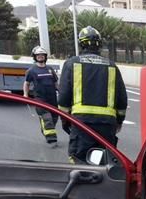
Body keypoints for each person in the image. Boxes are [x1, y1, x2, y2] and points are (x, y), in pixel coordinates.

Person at [58, 26, 128, 164]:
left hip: (81, 122)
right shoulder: (111, 66)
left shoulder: (72, 63)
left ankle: (81, 183)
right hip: (107, 124)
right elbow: (122, 98)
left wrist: (64, 119)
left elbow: (64, 96)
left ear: (81, 43)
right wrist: (119, 120)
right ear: (99, 44)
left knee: (79, 159)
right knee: (106, 161)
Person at [23, 46, 59, 147]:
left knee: (54, 118)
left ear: (45, 56)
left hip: (52, 98)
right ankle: (52, 140)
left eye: (42, 55)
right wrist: (25, 94)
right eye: (38, 55)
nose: (40, 57)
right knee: (47, 118)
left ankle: (46, 129)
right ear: (35, 57)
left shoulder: (50, 69)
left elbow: (56, 83)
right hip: (40, 99)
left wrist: (61, 91)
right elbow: (26, 83)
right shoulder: (32, 70)